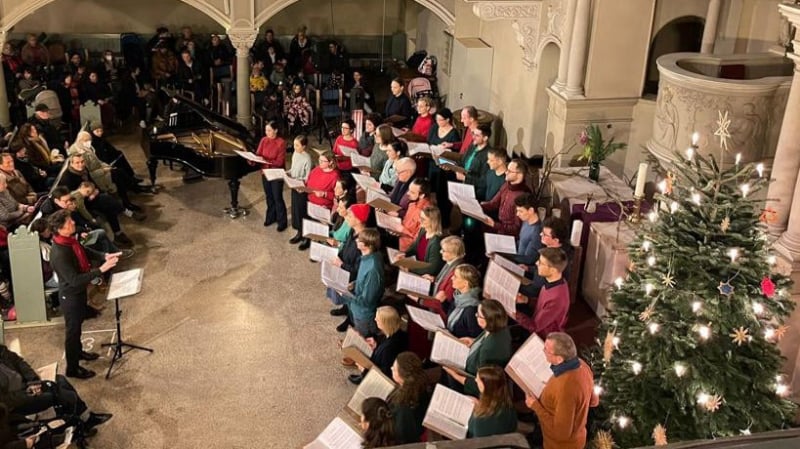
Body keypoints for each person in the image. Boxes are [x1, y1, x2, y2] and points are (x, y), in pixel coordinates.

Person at [48, 210, 120, 379]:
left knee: (78, 327)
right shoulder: (59, 254)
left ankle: (79, 353)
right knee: (72, 333)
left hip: (79, 293)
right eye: (69, 222)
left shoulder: (69, 241)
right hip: (70, 296)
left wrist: (104, 255)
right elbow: (73, 280)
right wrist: (101, 269)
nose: (73, 222)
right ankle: (72, 369)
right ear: (60, 229)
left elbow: (84, 250)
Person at [0, 344, 113, 438]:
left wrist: (33, 381)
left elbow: (19, 361)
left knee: (61, 380)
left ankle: (83, 419)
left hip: (27, 385)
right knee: (60, 395)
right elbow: (5, 401)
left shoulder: (1, 350)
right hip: (14, 404)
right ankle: (81, 425)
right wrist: (29, 393)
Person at [525, 332, 599, 449]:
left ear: (559, 359)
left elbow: (561, 435)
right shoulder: (582, 365)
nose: (543, 351)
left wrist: (535, 406)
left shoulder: (565, 388)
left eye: (546, 350)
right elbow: (594, 401)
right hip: (579, 439)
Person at [442, 299, 512, 397]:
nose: (476, 316)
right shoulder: (499, 327)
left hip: (473, 385)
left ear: (488, 320)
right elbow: (485, 338)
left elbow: (481, 383)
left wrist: (456, 376)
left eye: (478, 315)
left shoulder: (488, 350)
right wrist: (474, 341)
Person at [514, 247, 570, 339]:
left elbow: (534, 327)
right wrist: (526, 300)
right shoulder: (553, 282)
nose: (536, 264)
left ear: (553, 270)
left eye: (541, 263)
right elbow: (543, 306)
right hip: (535, 324)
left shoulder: (557, 298)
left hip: (542, 337)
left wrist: (513, 312)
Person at [329, 204, 369, 327]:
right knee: (345, 299)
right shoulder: (353, 230)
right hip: (344, 267)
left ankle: (350, 320)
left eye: (350, 215)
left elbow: (358, 270)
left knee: (351, 300)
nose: (347, 216)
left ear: (359, 220)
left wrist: (341, 264)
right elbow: (346, 245)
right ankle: (345, 308)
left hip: (351, 275)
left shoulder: (363, 242)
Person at [340, 228, 384, 337]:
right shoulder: (367, 257)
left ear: (367, 245)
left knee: (364, 341)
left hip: (364, 315)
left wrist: (345, 294)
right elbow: (363, 280)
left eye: (359, 240)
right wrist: (354, 284)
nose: (356, 241)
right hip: (357, 308)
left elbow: (367, 301)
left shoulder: (373, 268)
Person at [347, 305, 408, 383]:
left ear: (385, 323)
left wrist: (364, 369)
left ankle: (365, 377)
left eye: (378, 319)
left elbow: (385, 373)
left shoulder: (389, 348)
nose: (375, 319)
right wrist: (376, 344)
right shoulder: (398, 333)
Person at [297, 151, 339, 250]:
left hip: (323, 206)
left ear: (330, 162)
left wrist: (324, 194)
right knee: (308, 223)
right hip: (310, 201)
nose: (319, 162)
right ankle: (307, 239)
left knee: (319, 229)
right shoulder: (316, 169)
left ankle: (317, 247)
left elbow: (337, 196)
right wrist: (302, 186)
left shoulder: (335, 176)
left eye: (322, 161)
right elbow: (308, 182)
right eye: (319, 160)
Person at [388, 352, 431, 444]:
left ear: (403, 376)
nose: (391, 368)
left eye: (394, 369)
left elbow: (400, 434)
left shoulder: (403, 406)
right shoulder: (419, 386)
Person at [481, 158, 531, 237]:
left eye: (509, 171)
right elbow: (493, 204)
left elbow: (516, 229)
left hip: (509, 236)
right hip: (500, 228)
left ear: (519, 174)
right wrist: (476, 205)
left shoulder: (523, 196)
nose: (506, 172)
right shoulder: (506, 185)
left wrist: (495, 225)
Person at [468, 365, 517, 437]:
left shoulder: (481, 418)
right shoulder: (509, 407)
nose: (475, 380)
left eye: (478, 379)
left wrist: (476, 410)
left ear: (485, 385)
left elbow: (474, 432)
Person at [256, 121, 287, 231]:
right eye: (266, 130)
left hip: (276, 174)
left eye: (269, 130)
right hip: (265, 173)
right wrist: (253, 160)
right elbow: (258, 154)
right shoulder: (263, 140)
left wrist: (265, 160)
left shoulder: (281, 142)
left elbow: (279, 162)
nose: (266, 132)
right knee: (269, 197)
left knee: (277, 197)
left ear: (275, 130)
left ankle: (282, 221)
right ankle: (271, 217)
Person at [397, 205, 444, 277]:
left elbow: (432, 268)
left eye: (423, 219)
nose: (419, 220)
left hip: (422, 274)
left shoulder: (436, 242)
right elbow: (415, 246)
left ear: (432, 221)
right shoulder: (423, 230)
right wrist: (404, 254)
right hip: (417, 265)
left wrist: (410, 269)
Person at [287, 135, 314, 245]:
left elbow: (307, 177)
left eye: (297, 145)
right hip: (294, 186)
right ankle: (299, 232)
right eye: (294, 145)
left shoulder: (307, 158)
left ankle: (306, 236)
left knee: (303, 212)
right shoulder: (295, 154)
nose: (294, 147)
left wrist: (299, 183)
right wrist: (287, 173)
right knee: (296, 211)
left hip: (302, 188)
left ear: (304, 146)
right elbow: (293, 169)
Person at [444, 264, 482, 338]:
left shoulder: (471, 310)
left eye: (455, 277)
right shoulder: (458, 296)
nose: (452, 278)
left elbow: (474, 338)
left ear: (465, 283)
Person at [456, 123, 491, 201]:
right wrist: (453, 167)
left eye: (477, 136)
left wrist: (466, 178)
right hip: (464, 185)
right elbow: (462, 161)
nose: (473, 137)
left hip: (475, 191)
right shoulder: (472, 146)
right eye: (473, 134)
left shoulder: (489, 155)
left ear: (485, 138)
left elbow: (484, 181)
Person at [398, 178, 433, 252]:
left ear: (422, 195)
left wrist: (401, 230)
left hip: (407, 250)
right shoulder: (412, 203)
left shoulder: (427, 213)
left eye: (412, 192)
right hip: (400, 241)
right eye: (409, 190)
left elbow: (417, 240)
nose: (407, 193)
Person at [512, 193, 542, 266]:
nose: (517, 214)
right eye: (517, 211)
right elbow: (521, 242)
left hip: (522, 266)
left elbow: (529, 259)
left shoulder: (536, 232)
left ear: (531, 210)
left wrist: (504, 255)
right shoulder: (526, 221)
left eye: (521, 211)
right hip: (517, 258)